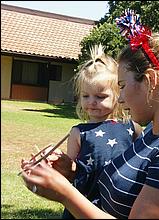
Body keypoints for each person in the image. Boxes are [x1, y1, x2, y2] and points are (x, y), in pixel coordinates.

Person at [21, 9, 159, 219]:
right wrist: (72, 171)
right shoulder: (154, 133)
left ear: (150, 81)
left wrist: (65, 194)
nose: (119, 99)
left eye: (122, 86)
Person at [21, 44, 142, 219]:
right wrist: (53, 165)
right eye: (86, 96)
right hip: (85, 200)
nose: (92, 102)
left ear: (117, 95)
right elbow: (72, 172)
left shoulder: (131, 126)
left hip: (118, 203)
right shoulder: (78, 132)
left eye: (100, 97)